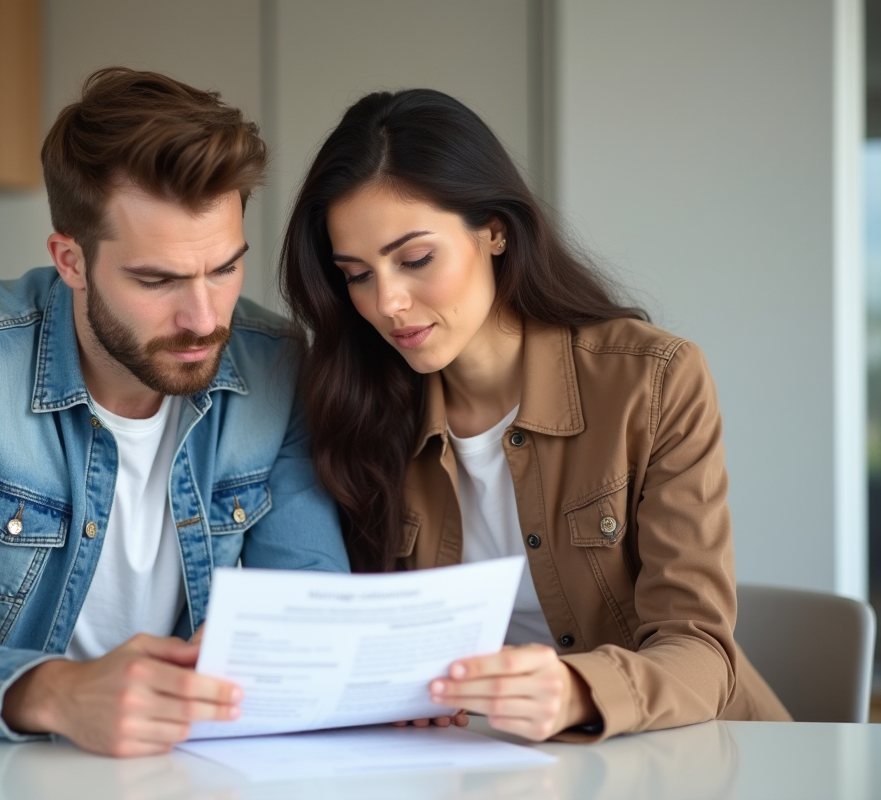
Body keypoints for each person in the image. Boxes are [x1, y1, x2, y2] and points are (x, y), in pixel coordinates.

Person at [0, 68, 348, 757]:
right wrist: (59, 694)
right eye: (157, 279)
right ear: (70, 261)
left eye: (224, 269)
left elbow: (315, 608)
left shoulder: (276, 363)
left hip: (190, 768)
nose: (203, 318)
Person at [280, 88, 791, 743]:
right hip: (475, 760)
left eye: (415, 260)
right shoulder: (358, 409)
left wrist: (576, 690)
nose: (388, 303)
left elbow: (700, 651)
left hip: (684, 757)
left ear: (494, 229)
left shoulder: (655, 381)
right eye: (356, 274)